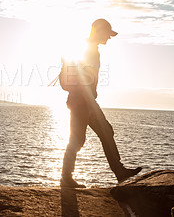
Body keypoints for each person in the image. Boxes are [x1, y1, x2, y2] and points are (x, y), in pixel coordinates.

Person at [59, 19, 142, 188]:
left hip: (87, 102)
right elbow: (84, 79)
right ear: (99, 31)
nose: (109, 38)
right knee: (78, 139)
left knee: (106, 132)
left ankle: (119, 172)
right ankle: (66, 178)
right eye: (108, 34)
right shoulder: (88, 51)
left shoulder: (90, 50)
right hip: (82, 103)